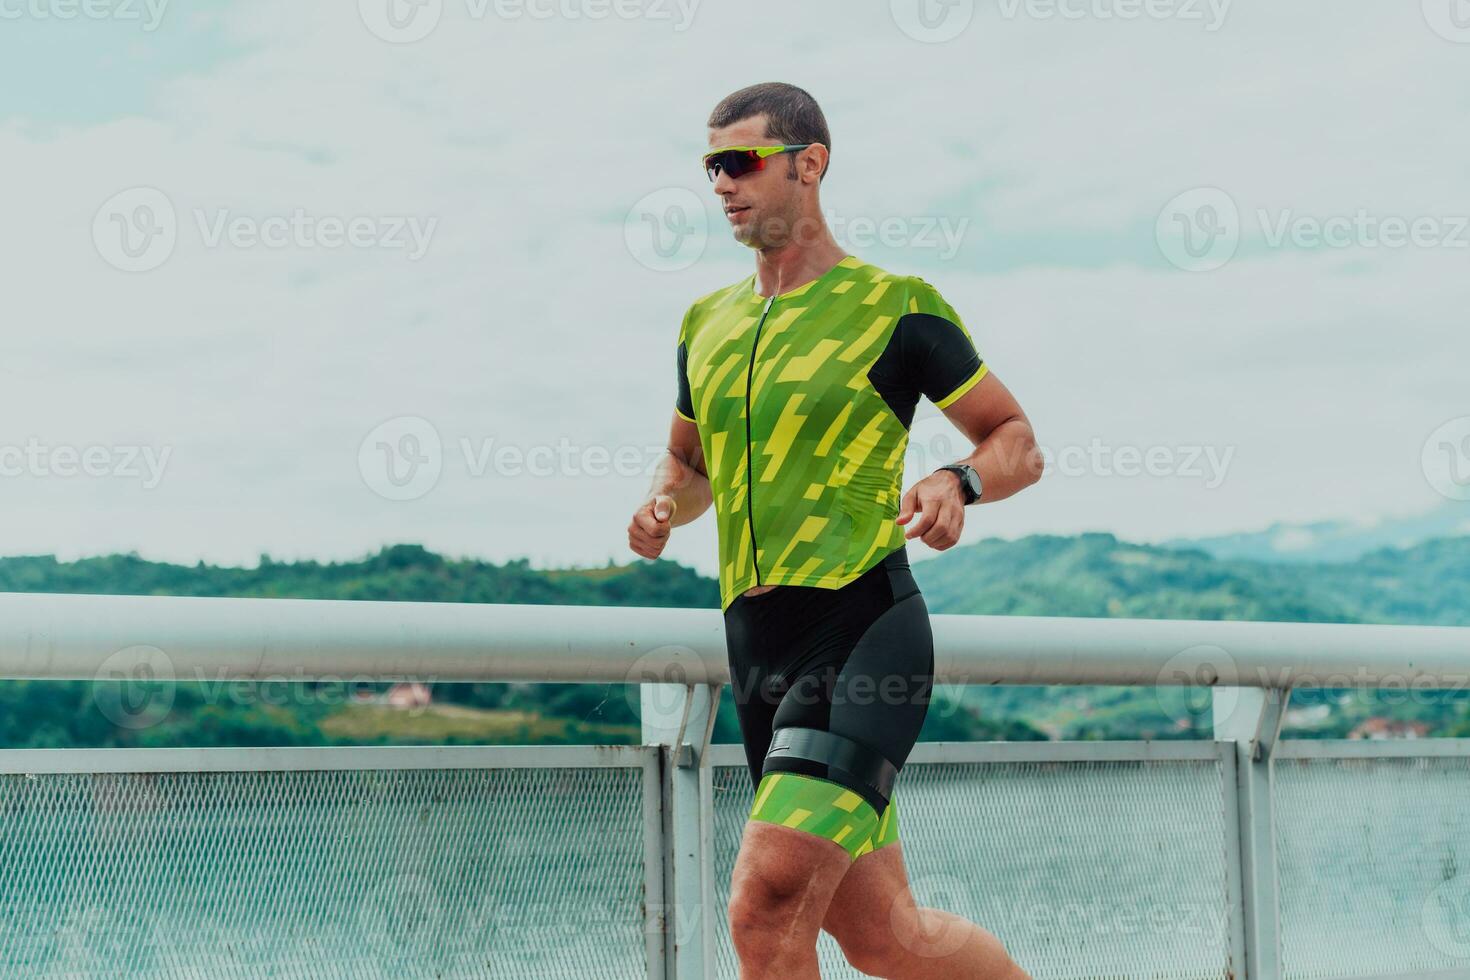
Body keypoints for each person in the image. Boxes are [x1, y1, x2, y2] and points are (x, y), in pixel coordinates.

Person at [628, 81, 1042, 980]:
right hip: (756, 649)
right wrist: (663, 503)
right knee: (886, 938)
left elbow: (1016, 442)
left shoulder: (896, 304)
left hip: (859, 630)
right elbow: (690, 470)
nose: (721, 184)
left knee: (762, 911)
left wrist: (954, 479)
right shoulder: (706, 323)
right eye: (710, 167)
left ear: (809, 164)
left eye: (741, 162)